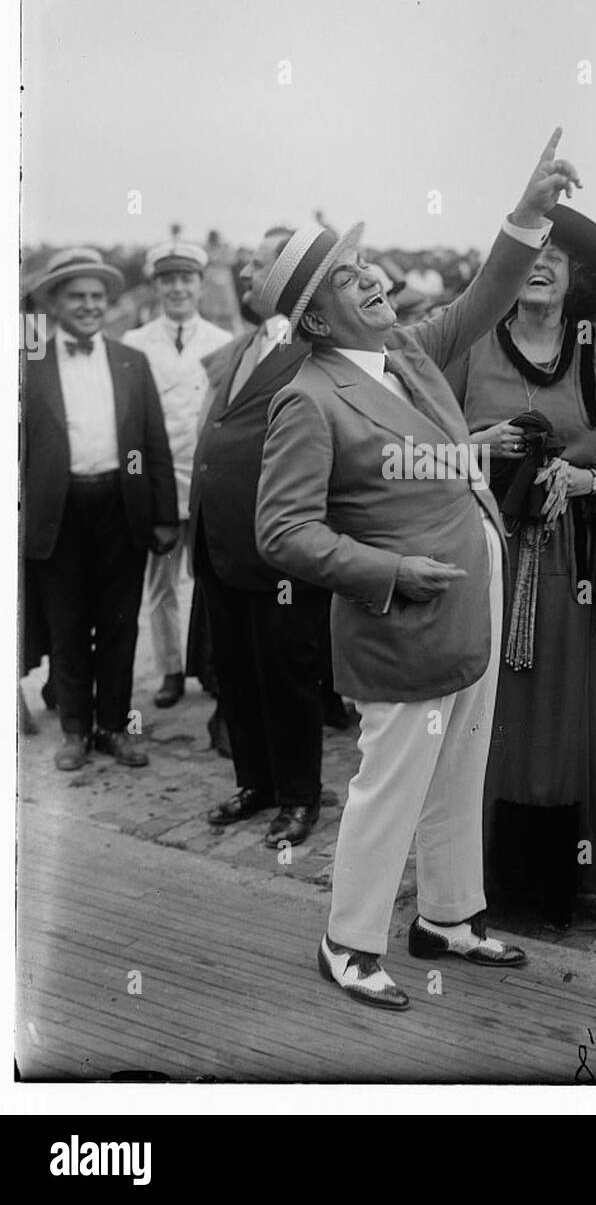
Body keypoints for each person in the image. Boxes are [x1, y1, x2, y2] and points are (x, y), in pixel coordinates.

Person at [255, 128, 579, 1010]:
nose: (373, 277)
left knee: (461, 766)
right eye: (350, 278)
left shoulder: (405, 350)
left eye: (366, 265)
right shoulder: (309, 399)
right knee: (390, 783)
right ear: (318, 320)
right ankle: (349, 942)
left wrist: (528, 213)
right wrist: (392, 570)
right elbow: (281, 533)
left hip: (470, 598)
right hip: (400, 619)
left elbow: (485, 296)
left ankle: (448, 917)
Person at [448, 207, 596, 926]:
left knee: (563, 714)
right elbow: (417, 452)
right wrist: (478, 444)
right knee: (488, 713)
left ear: (576, 280)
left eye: (557, 258)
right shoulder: (470, 349)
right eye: (531, 251)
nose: (541, 264)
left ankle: (559, 884)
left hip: (574, 564)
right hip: (486, 550)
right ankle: (479, 881)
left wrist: (589, 481)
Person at [188, 228, 331, 849]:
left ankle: (300, 797)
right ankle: (256, 783)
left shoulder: (313, 353)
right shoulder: (243, 346)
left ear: (290, 276)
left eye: (257, 260)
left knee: (287, 675)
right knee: (239, 672)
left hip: (278, 549)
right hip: (220, 543)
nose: (244, 270)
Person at [23, 248, 178, 771]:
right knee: (67, 625)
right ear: (53, 303)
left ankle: (113, 726)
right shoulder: (26, 362)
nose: (89, 306)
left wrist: (161, 514)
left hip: (121, 507)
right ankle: (75, 731)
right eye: (77, 297)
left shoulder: (131, 361)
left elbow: (154, 443)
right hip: (58, 512)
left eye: (96, 297)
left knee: (118, 625)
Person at [123, 242, 232, 708]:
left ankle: (210, 667)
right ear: (156, 286)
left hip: (206, 486)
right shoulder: (135, 343)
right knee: (162, 584)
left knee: (211, 583)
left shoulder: (223, 343)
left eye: (186, 279)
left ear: (200, 285)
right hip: (161, 489)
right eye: (167, 280)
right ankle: (170, 670)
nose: (177, 288)